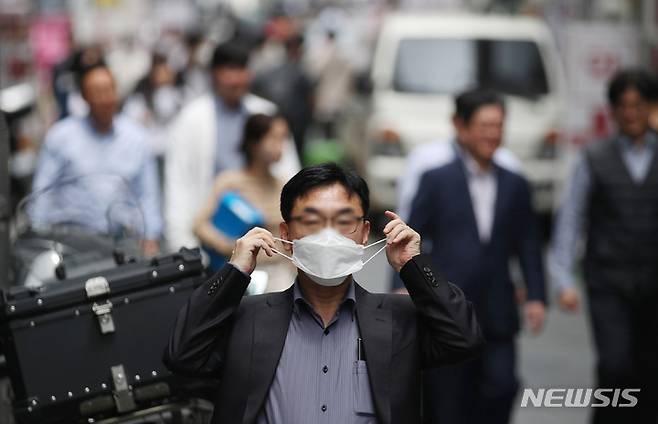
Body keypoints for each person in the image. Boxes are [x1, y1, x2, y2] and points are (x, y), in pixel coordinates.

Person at [164, 163, 484, 424]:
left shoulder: (397, 321)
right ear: (286, 235)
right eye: (313, 222)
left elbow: (463, 338)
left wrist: (413, 266)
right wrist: (235, 272)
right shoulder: (248, 319)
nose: (329, 236)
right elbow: (183, 355)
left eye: (344, 222)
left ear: (362, 234)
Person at [401, 89, 546, 424]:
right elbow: (409, 240)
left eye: (498, 125)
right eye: (484, 125)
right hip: (447, 307)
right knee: (447, 399)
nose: (492, 134)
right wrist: (402, 286)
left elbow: (528, 244)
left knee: (501, 386)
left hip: (498, 310)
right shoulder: (436, 179)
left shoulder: (516, 183)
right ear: (462, 127)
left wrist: (536, 295)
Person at [549, 68, 658, 423]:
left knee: (649, 369)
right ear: (613, 111)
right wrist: (564, 278)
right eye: (623, 105)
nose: (631, 113)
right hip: (608, 280)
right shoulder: (594, 158)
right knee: (615, 365)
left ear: (650, 108)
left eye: (639, 105)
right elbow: (571, 218)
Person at [165, 42, 300, 251]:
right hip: (214, 237)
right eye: (229, 71)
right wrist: (181, 242)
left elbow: (290, 172)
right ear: (214, 74)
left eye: (242, 70)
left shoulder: (267, 113)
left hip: (266, 234)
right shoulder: (192, 119)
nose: (237, 79)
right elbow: (179, 182)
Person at [30, 64, 162, 256]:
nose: (104, 99)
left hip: (122, 241)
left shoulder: (136, 138)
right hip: (72, 242)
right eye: (97, 92)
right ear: (84, 97)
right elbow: (42, 191)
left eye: (109, 90)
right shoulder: (61, 136)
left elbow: (148, 193)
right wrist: (38, 239)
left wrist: (151, 235)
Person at [193, 114, 295, 292]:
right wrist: (232, 246)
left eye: (282, 138)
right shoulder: (230, 181)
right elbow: (199, 226)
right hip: (244, 273)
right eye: (273, 138)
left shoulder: (284, 185)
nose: (279, 146)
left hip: (280, 271)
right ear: (254, 143)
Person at [252, 34, 314, 156]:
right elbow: (311, 97)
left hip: (288, 117)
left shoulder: (277, 69)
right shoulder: (299, 71)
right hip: (292, 118)